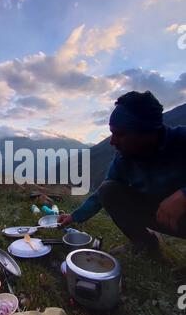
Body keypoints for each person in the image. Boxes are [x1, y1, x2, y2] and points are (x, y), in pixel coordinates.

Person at [58, 91, 186, 255]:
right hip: (160, 215)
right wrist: (74, 217)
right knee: (108, 189)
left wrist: (183, 195)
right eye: (112, 133)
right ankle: (144, 243)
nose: (112, 141)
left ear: (147, 132)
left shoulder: (182, 140)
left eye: (120, 134)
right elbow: (101, 194)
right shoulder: (124, 159)